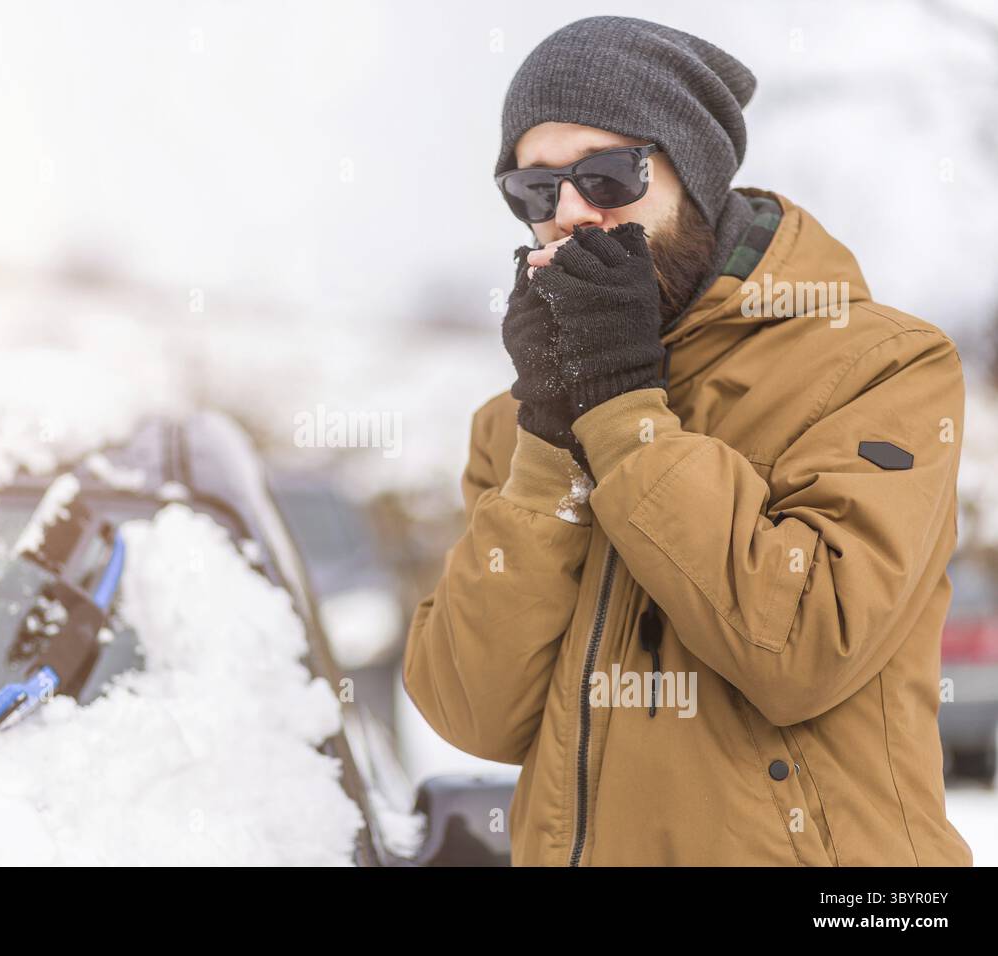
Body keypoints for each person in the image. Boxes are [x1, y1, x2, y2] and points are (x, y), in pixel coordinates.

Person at [402, 15, 972, 866]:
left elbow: (804, 649)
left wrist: (626, 410)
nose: (570, 216)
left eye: (604, 175)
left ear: (697, 176)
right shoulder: (517, 425)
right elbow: (472, 712)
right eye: (534, 191)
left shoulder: (883, 367)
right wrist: (553, 444)